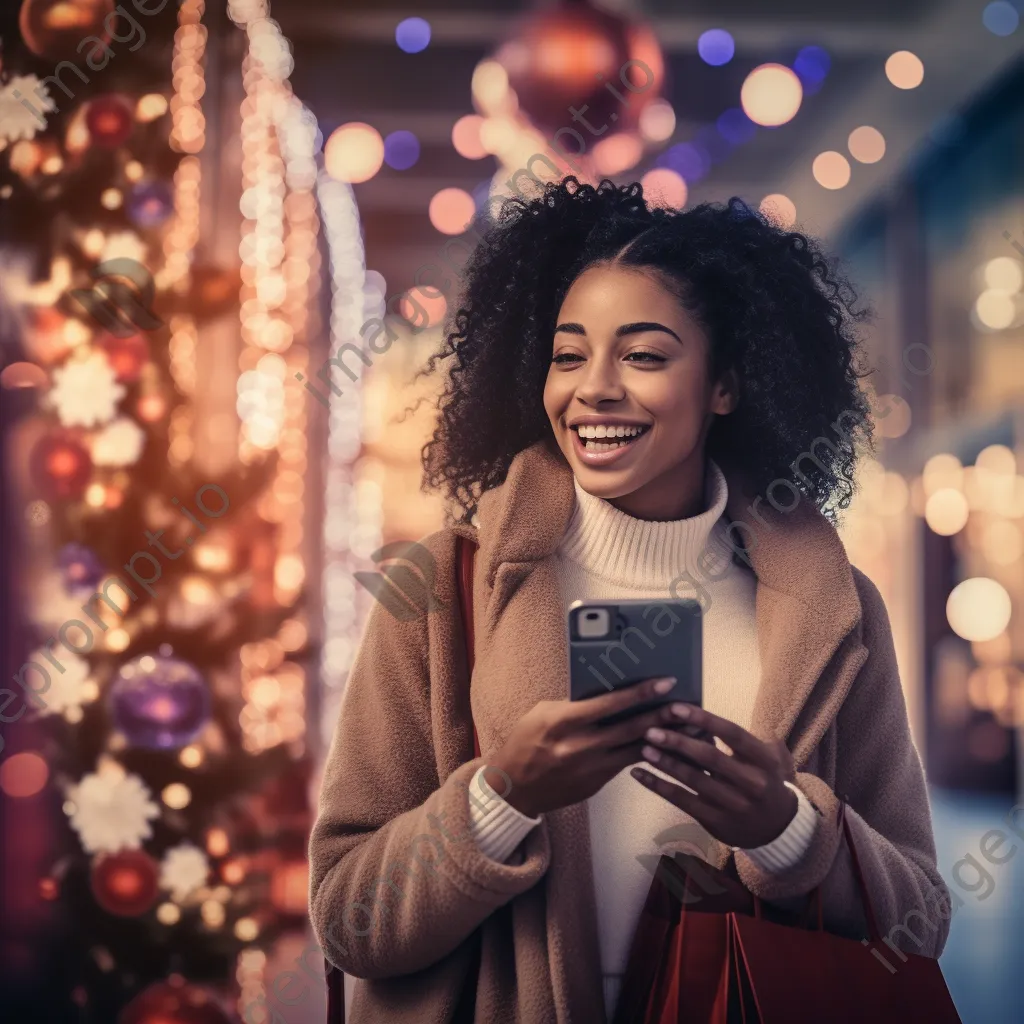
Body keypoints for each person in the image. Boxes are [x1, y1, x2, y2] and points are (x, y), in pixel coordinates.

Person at [308, 177, 950, 1023]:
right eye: (569, 355)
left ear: (725, 383)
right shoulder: (439, 593)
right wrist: (500, 797)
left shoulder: (833, 608)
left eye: (643, 356)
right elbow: (347, 920)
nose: (594, 389)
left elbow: (921, 919)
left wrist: (788, 830)